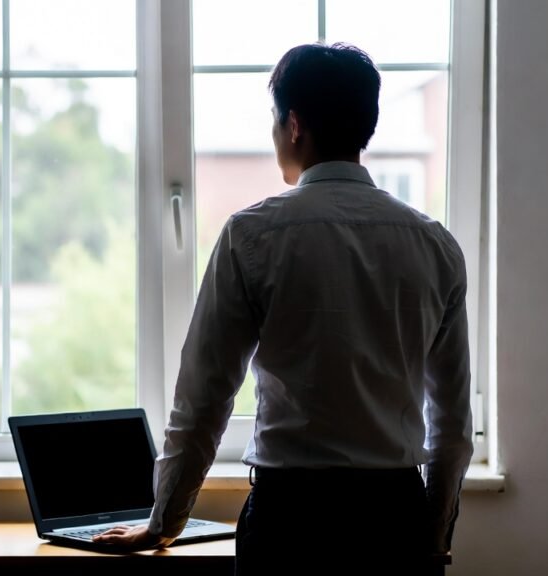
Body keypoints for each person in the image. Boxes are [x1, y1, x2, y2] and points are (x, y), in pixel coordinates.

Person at [94, 42, 473, 574]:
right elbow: (452, 425)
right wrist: (431, 540)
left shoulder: (253, 235)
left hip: (292, 519)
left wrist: (164, 523)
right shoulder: (436, 244)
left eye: (275, 122)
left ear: (293, 124)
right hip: (394, 518)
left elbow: (203, 398)